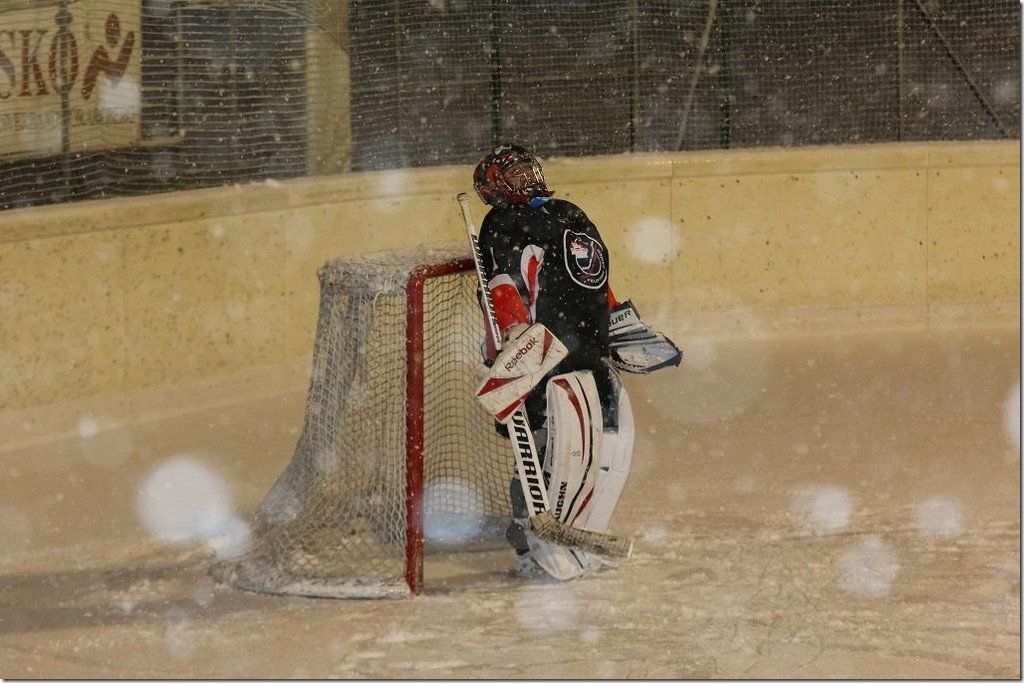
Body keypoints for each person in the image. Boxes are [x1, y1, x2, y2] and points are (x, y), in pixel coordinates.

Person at [472, 143, 681, 580]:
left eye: (527, 169)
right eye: (513, 174)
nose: (526, 178)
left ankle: (582, 532)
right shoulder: (503, 222)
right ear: (494, 187)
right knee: (546, 450)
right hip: (545, 356)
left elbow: (590, 277)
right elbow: (504, 281)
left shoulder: (568, 211)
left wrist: (618, 319)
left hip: (590, 346)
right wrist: (514, 334)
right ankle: (529, 541)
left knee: (601, 449)